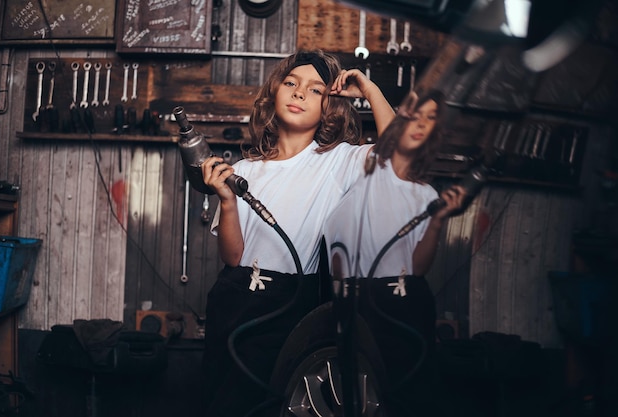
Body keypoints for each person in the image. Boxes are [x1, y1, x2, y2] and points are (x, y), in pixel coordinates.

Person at [198, 49, 396, 417]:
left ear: (330, 106)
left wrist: (370, 91)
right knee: (220, 403)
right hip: (234, 300)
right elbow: (233, 258)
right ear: (275, 93)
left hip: (289, 304)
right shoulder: (245, 169)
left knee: (272, 403)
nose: (299, 92)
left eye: (315, 89)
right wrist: (227, 202)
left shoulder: (337, 162)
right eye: (291, 83)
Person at [322, 89, 469, 417]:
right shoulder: (369, 169)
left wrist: (437, 222)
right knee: (359, 393)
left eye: (430, 118)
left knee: (408, 395)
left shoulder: (426, 194)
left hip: (407, 301)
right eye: (414, 114)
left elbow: (418, 268)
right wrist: (368, 87)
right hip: (360, 297)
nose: (421, 124)